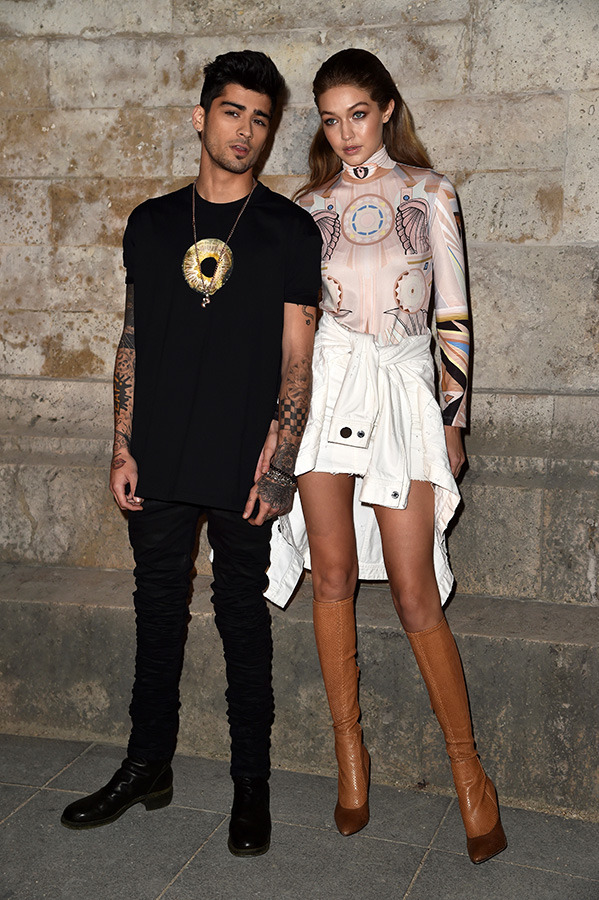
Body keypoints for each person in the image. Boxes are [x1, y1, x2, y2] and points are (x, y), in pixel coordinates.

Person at [60, 50, 322, 858]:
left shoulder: (288, 230)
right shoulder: (151, 223)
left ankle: (251, 785)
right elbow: (132, 337)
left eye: (260, 119)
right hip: (159, 454)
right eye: (231, 112)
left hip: (244, 462)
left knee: (243, 619)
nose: (245, 130)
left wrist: (279, 463)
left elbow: (298, 359)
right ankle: (147, 766)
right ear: (201, 117)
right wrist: (120, 445)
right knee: (156, 613)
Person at [286, 48, 506, 864]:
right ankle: (349, 757)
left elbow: (452, 316)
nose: (345, 132)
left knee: (414, 593)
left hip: (405, 395)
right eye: (330, 119)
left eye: (357, 114)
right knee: (332, 577)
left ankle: (468, 774)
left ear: (384, 108)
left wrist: (452, 421)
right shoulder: (304, 208)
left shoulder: (430, 191)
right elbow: (296, 325)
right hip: (328, 397)